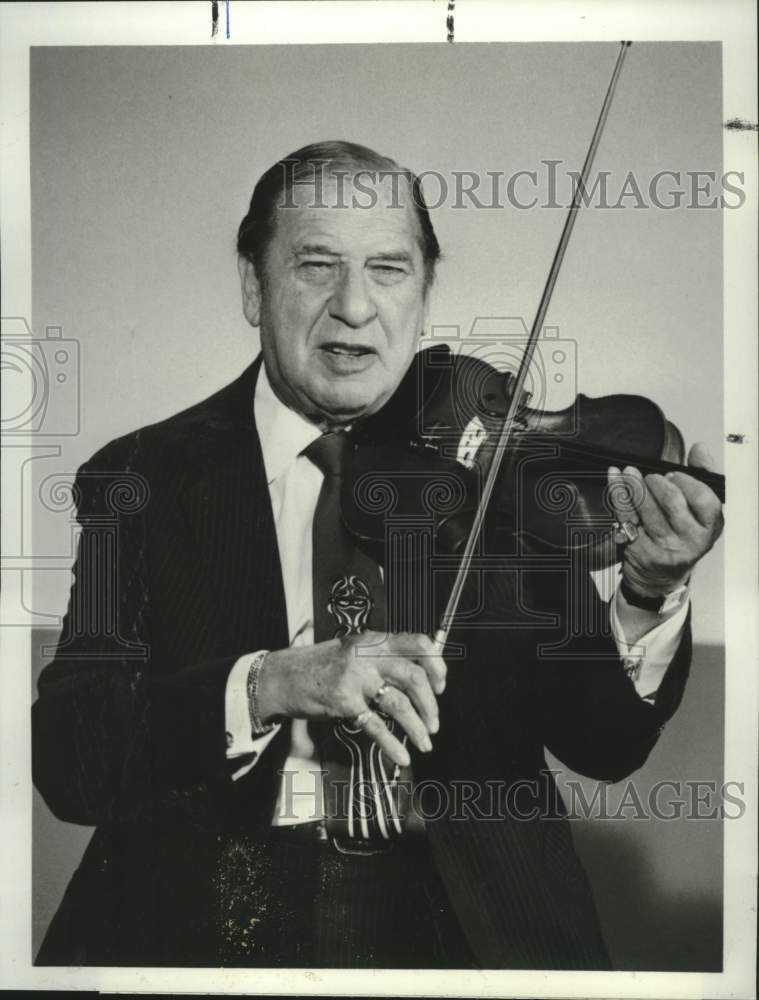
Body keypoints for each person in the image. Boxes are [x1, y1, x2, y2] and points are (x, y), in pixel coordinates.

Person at [32, 140, 723, 969]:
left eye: (389, 270)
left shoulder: (485, 469)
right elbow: (73, 758)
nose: (355, 307)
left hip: (470, 929)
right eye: (316, 265)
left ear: (423, 291)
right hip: (206, 924)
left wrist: (647, 589)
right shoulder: (138, 477)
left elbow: (603, 746)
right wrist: (276, 681)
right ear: (254, 285)